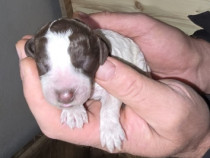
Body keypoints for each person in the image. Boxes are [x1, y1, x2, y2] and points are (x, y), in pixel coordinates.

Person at [16, 12, 210, 158]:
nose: (65, 93)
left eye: (81, 64)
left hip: (137, 64)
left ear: (99, 52)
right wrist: (74, 107)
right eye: (46, 66)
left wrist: (109, 120)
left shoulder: (102, 55)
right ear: (33, 50)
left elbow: (113, 92)